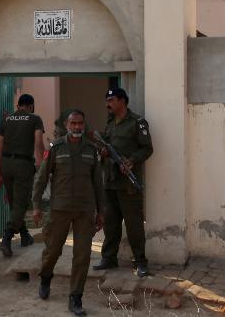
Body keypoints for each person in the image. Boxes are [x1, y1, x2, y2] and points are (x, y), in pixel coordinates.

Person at [32, 110, 104, 317]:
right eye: (73, 123)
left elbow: (98, 183)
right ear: (66, 125)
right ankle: (46, 276)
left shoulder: (91, 149)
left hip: (84, 210)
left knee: (82, 255)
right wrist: (36, 205)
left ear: (84, 125)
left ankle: (76, 297)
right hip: (59, 209)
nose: (77, 127)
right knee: (53, 250)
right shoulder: (56, 148)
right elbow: (41, 178)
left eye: (80, 123)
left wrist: (101, 212)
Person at [92, 88, 153, 277]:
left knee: (134, 225)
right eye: (107, 100)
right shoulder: (110, 123)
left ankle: (140, 262)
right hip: (110, 181)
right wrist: (102, 152)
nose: (107, 104)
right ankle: (109, 258)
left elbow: (147, 149)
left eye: (111, 100)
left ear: (122, 101)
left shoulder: (137, 122)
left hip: (128, 185)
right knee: (111, 224)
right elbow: (106, 146)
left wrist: (131, 160)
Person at [0, 94, 45, 257]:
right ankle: (7, 238)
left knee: (14, 202)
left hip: (6, 164)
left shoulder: (7, 120)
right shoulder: (35, 119)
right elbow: (38, 143)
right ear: (31, 106)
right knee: (21, 204)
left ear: (18, 106)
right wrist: (41, 164)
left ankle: (24, 235)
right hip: (23, 165)